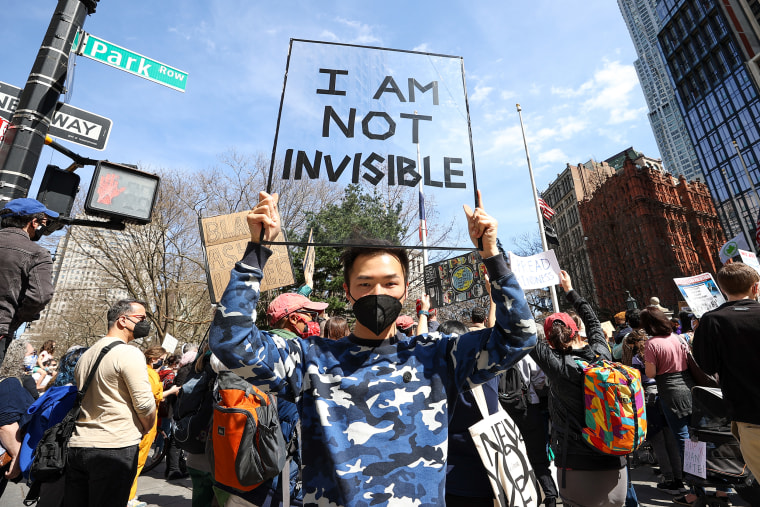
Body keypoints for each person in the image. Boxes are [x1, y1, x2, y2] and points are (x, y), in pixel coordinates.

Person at [209, 190, 537, 506]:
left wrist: (492, 257)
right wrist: (256, 252)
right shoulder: (312, 360)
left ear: (405, 290)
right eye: (365, 284)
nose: (377, 292)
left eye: (390, 283)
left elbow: (518, 337)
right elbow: (232, 342)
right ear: (348, 292)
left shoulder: (437, 356)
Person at [531, 271, 627, 507]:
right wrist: (569, 290)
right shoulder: (601, 353)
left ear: (550, 341)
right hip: (617, 463)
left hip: (576, 464)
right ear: (577, 331)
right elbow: (593, 321)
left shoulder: (559, 367)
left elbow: (523, 329)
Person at [64, 300, 157, 507]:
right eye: (141, 318)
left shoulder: (86, 354)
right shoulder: (129, 353)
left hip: (79, 445)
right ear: (122, 320)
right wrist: (147, 427)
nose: (145, 323)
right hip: (115, 447)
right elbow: (144, 405)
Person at [693, 262, 760, 480]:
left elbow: (708, 367)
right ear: (755, 287)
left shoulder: (712, 321)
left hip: (749, 415)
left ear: (723, 290)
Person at [0, 198, 57, 366]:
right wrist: (17, 318)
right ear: (33, 222)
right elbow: (41, 295)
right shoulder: (37, 253)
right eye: (44, 223)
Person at [128, 346, 181, 507]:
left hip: (147, 420)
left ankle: (130, 495)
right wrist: (171, 391)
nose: (163, 362)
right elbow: (152, 396)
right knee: (137, 461)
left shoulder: (146, 371)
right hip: (146, 422)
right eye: (162, 359)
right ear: (154, 359)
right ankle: (129, 497)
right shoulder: (149, 373)